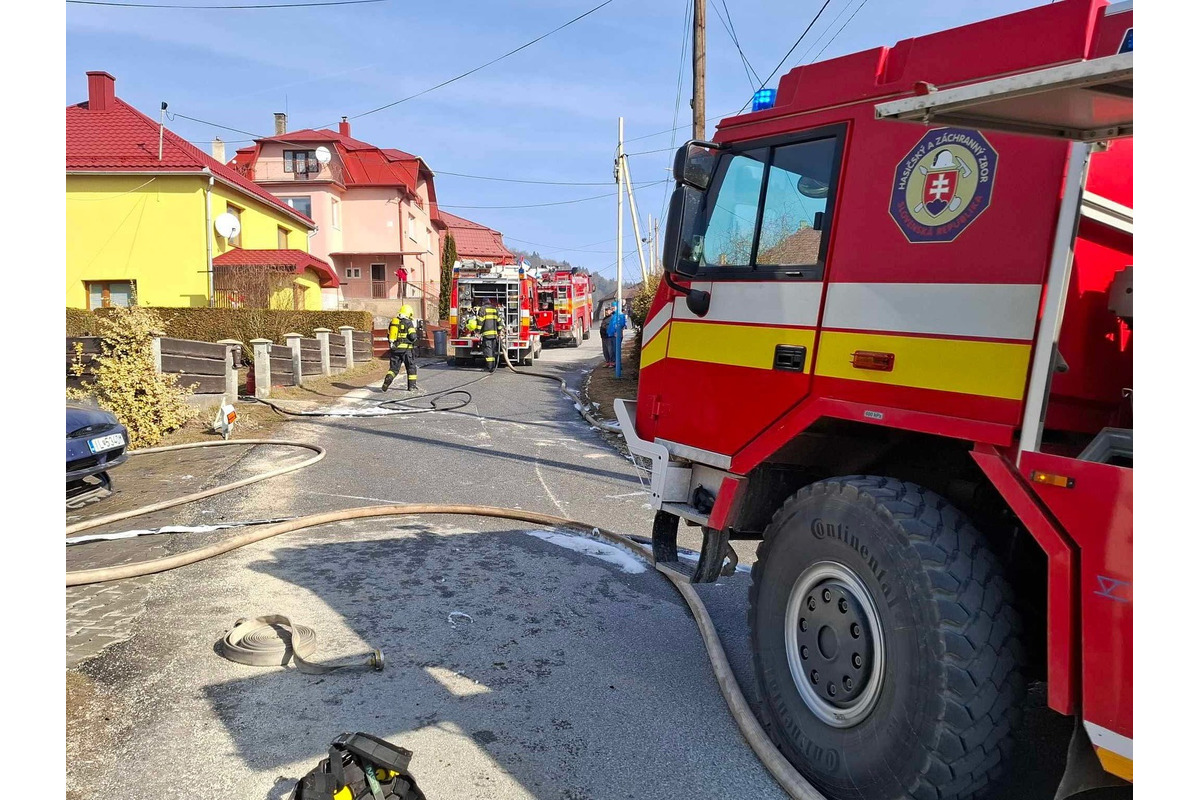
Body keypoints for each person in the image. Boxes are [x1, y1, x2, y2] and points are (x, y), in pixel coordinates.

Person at [381, 305, 419, 392]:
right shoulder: (408, 322)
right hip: (406, 350)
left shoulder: (393, 322)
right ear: (409, 313)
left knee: (393, 369)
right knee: (411, 367)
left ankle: (388, 378)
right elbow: (413, 336)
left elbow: (389, 335)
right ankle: (412, 386)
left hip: (395, 350)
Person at [479, 301, 501, 373]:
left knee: (488, 351)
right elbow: (499, 321)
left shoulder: (483, 309)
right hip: (494, 334)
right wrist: (499, 330)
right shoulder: (494, 309)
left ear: (483, 302)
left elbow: (480, 321)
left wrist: (477, 331)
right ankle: (493, 366)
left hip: (487, 334)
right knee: (493, 350)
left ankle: (489, 367)